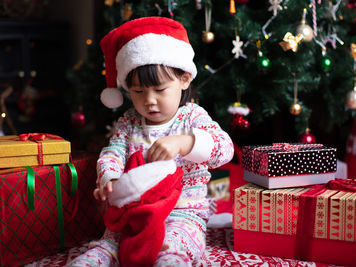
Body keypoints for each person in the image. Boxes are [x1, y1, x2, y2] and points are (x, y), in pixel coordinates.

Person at [66, 16, 234, 267]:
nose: (150, 100)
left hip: (183, 212)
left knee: (174, 245)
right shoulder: (128, 122)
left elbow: (225, 148)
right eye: (138, 92)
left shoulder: (192, 117)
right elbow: (112, 154)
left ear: (184, 79)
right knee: (109, 244)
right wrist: (109, 179)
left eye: (160, 89)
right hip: (132, 213)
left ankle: (171, 259)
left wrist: (186, 143)